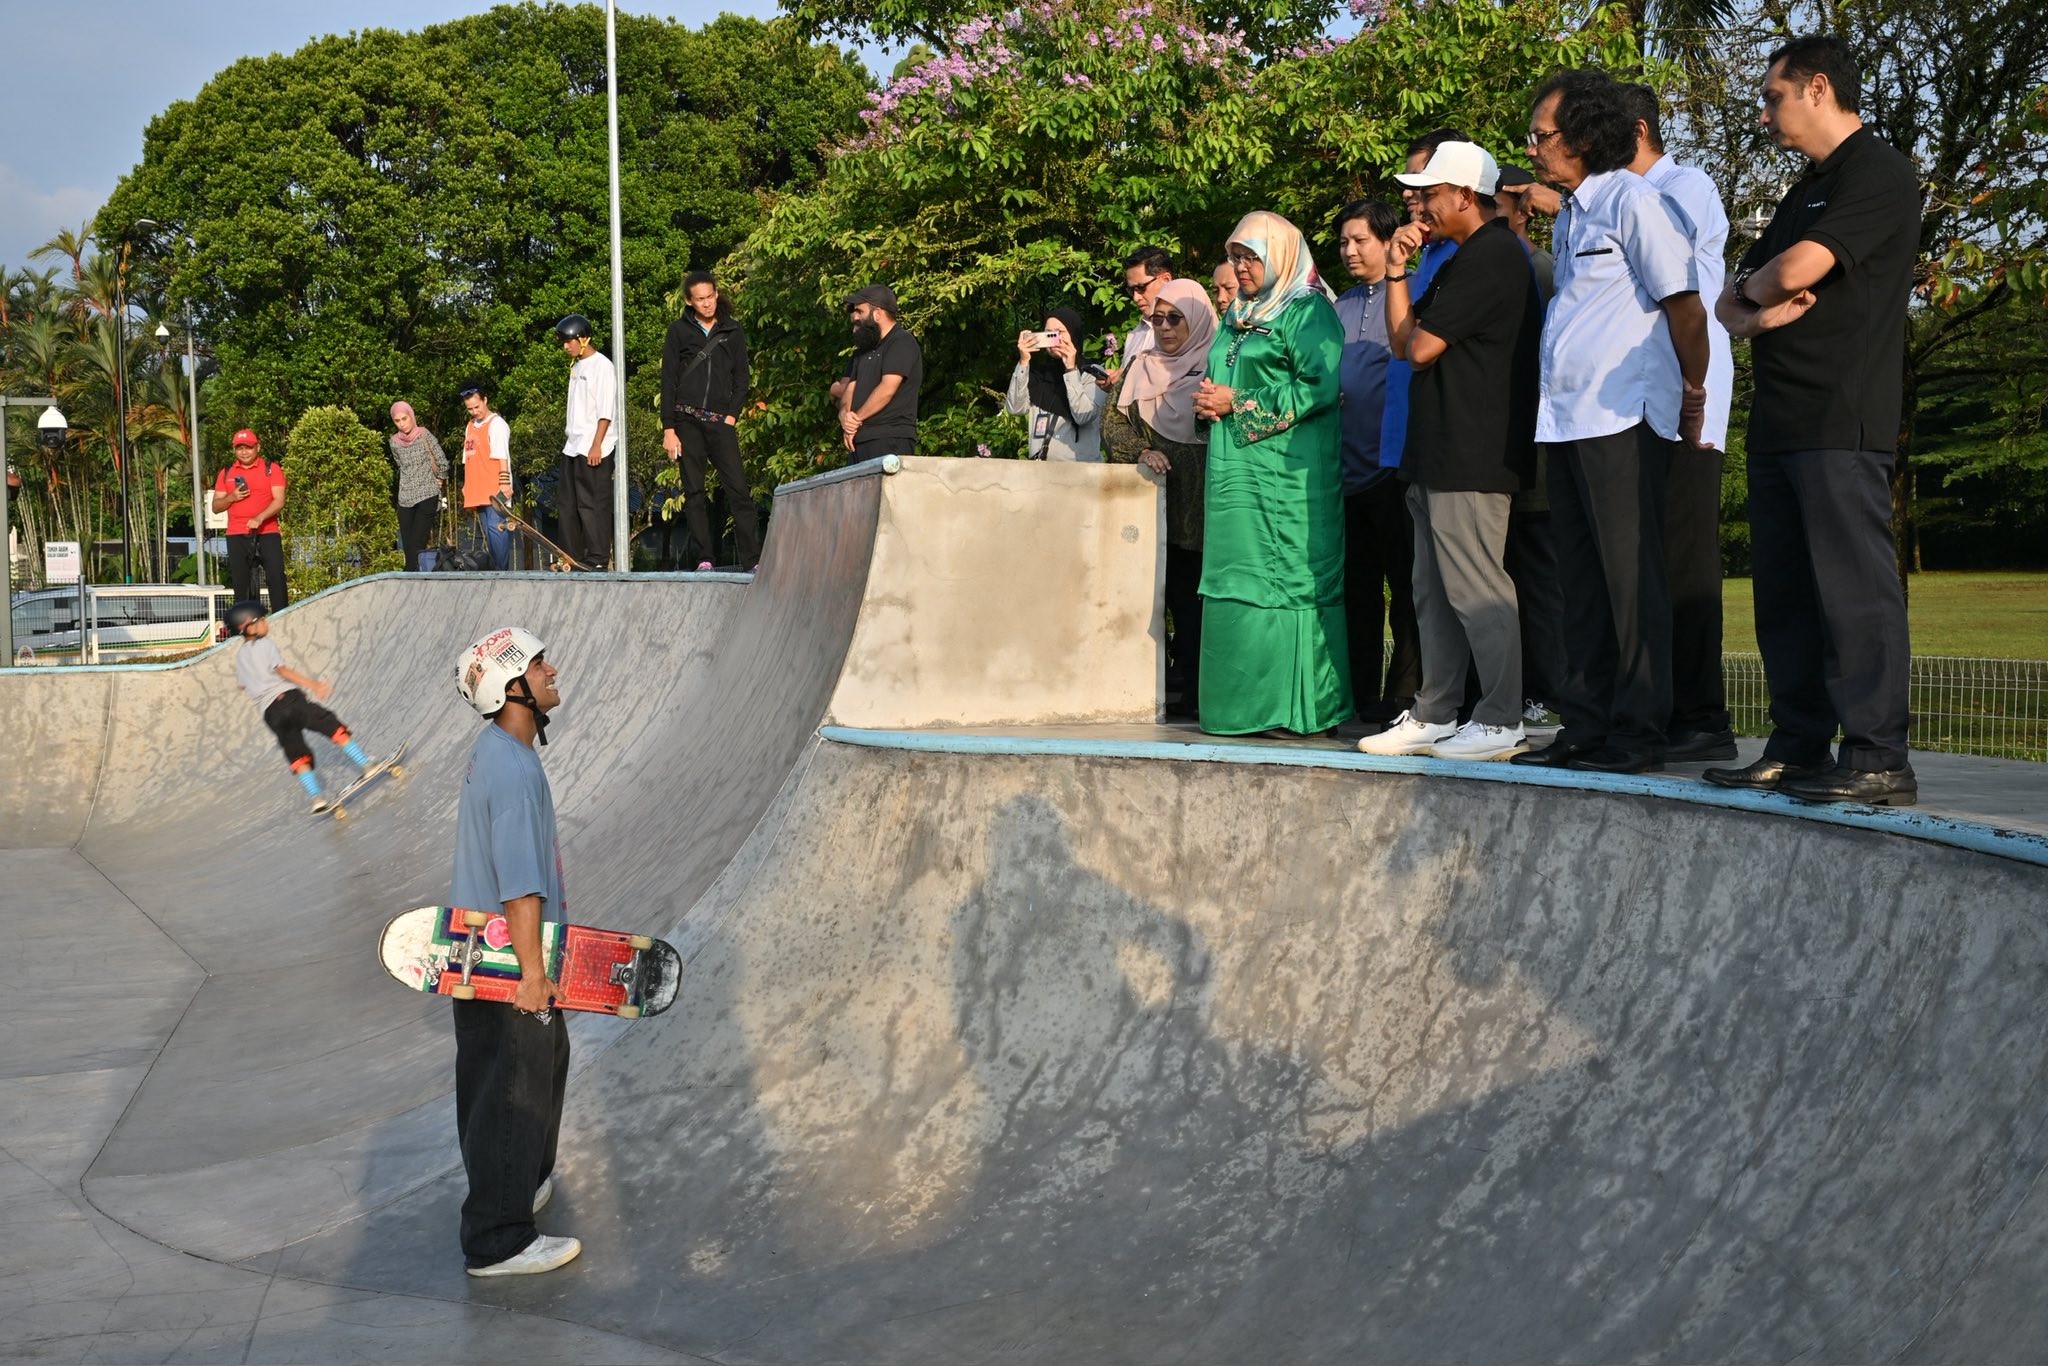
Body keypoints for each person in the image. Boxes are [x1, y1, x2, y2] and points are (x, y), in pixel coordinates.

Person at [1705, 35, 1920, 805]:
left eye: (1773, 97)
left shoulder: (1880, 174)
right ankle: (1799, 746)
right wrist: (1760, 305)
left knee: (1853, 592)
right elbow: (1732, 306)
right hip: (1782, 417)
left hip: (1841, 415)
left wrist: (1760, 286)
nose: (1765, 114)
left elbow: (1793, 272)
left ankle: (1877, 757)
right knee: (1787, 596)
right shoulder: (1808, 188)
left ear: (1818, 88)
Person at [1511, 69, 1711, 776]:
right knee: (1582, 582)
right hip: (1565, 421)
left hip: (1622, 416)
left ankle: (1638, 728)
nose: (1531, 148)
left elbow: (1685, 305)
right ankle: (1586, 724)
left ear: (1585, 135)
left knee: (1630, 579)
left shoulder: (1635, 202)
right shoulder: (1572, 215)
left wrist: (1695, 389)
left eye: (1541, 135)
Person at [1358, 142, 1543, 761]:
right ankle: (1437, 711)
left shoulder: (1495, 255)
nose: (1418, 205)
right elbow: (1398, 336)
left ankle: (1500, 717)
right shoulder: (1461, 257)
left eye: (1429, 193)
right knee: (1431, 589)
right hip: (1436, 450)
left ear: (1466, 195)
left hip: (1473, 451)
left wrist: (1408, 305)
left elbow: (1421, 347)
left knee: (1476, 588)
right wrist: (1394, 271)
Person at [448, 626, 578, 1277]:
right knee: (513, 1091)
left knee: (538, 1066)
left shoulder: (501, 752)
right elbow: (520, 883)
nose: (552, 670)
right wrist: (533, 976)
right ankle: (497, 1239)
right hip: (505, 968)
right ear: (511, 685)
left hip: (486, 961)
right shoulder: (511, 768)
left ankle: (519, 1182)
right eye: (538, 663)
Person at [1615, 81, 1739, 763]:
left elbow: (1677, 277)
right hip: (1647, 404)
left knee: (1687, 558)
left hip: (1691, 401)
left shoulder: (1684, 186)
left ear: (1634, 129)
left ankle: (1703, 713)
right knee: (1653, 561)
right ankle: (1659, 704)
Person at [1192, 211, 1351, 736]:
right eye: (1235, 257)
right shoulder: (1241, 311)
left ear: (1279, 256)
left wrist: (1238, 400)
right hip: (1235, 471)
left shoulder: (1307, 311)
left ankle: (1293, 709)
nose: (1239, 268)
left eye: (1250, 257)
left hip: (1288, 473)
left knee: (1286, 579)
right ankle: (1240, 708)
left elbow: (1320, 387)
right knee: (1237, 574)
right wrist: (1213, 403)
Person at [1104, 278, 1216, 717]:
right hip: (1153, 507)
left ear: (1200, 318)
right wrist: (1141, 450)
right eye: (1158, 318)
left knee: (1200, 605)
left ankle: (1202, 694)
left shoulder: (1218, 367)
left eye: (1175, 318)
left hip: (1207, 507)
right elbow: (1113, 425)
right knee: (1160, 603)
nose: (1165, 327)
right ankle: (1161, 691)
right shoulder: (1139, 366)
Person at [1331, 198, 1421, 726]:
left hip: (1397, 467)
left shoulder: (1408, 297)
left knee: (1407, 589)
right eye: (1344, 241)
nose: (1350, 250)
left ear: (1389, 242)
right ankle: (1360, 694)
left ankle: (1406, 695)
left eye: (1360, 240)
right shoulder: (1335, 307)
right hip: (1344, 474)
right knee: (1357, 592)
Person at [226, 599, 380, 812]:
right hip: (289, 699)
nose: (267, 623)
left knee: (295, 751)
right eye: (262, 620)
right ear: (250, 626)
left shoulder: (240, 657)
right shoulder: (265, 644)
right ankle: (366, 764)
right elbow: (282, 670)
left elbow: (243, 685)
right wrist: (314, 684)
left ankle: (317, 798)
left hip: (271, 715)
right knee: (330, 724)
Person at [661, 271, 760, 572]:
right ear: (690, 302)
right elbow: (668, 380)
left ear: (717, 294)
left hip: (721, 423)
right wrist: (669, 428)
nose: (707, 303)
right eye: (700, 299)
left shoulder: (733, 331)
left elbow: (742, 378)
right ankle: (705, 557)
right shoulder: (679, 331)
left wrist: (731, 415)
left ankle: (752, 559)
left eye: (710, 296)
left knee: (739, 491)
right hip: (686, 420)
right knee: (694, 492)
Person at [830, 285, 922, 460]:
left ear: (878, 313)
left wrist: (855, 419)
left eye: (860, 311)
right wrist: (845, 418)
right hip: (858, 441)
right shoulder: (863, 350)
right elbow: (850, 389)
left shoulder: (901, 342)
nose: (854, 316)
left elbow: (887, 388)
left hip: (890, 439)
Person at [555, 314, 616, 570]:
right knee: (567, 505)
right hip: (573, 446)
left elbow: (606, 410)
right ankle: (572, 555)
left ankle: (598, 558)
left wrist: (597, 445)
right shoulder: (577, 366)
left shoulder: (602, 366)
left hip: (594, 447)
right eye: (563, 342)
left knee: (592, 504)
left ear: (583, 339)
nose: (565, 347)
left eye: (569, 341)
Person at [1006, 308, 1105, 461]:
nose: (1053, 337)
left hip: (1080, 474)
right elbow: (1015, 408)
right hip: (1042, 472)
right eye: (1048, 332)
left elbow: (1083, 416)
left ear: (1073, 334)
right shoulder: (1038, 376)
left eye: (1059, 331)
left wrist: (1071, 370)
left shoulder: (1092, 373)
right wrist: (1023, 362)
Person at [212, 429, 289, 610]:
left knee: (276, 578)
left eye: (248, 447)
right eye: (240, 448)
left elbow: (279, 500)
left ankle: (282, 621)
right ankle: (247, 629)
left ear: (258, 447)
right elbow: (216, 507)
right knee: (242, 585)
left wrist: (259, 517)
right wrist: (231, 497)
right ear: (234, 450)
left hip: (267, 532)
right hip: (237, 534)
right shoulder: (226, 472)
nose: (244, 452)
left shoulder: (271, 469)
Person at [387, 402, 449, 574]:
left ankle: (412, 579)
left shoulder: (424, 435)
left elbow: (442, 462)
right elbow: (401, 465)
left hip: (427, 495)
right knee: (407, 545)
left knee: (417, 544)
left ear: (411, 416)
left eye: (404, 418)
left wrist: (440, 479)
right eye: (397, 420)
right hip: (405, 499)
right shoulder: (394, 442)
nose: (402, 423)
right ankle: (411, 576)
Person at [459, 381, 514, 571]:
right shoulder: (470, 426)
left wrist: (504, 484)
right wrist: (467, 485)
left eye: (477, 406)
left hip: (494, 488)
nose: (474, 411)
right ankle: (495, 573)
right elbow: (467, 457)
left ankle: (502, 574)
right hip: (477, 488)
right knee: (488, 535)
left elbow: (502, 456)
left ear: (485, 400)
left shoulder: (497, 424)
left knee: (497, 530)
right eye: (470, 408)